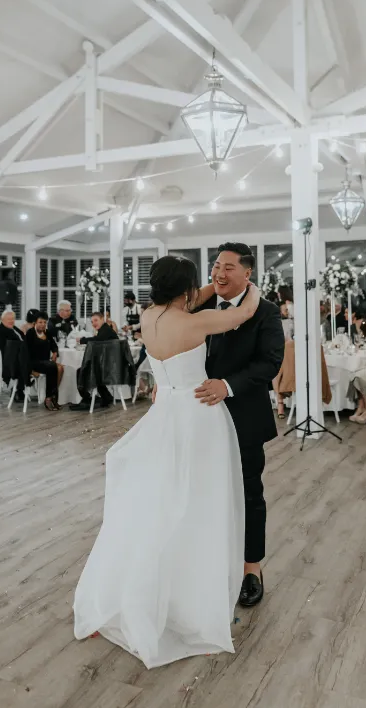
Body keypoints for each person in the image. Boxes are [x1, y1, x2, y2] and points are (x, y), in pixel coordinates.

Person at [74, 255, 262, 668]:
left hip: (164, 417)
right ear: (187, 291)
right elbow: (245, 311)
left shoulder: (149, 315)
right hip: (198, 418)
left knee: (161, 503)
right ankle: (194, 607)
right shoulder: (195, 323)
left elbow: (191, 301)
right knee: (200, 506)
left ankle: (151, 590)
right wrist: (251, 283)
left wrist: (211, 283)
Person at [195, 242, 285, 609]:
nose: (219, 273)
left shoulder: (265, 312)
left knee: (249, 495)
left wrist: (227, 386)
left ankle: (252, 568)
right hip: (199, 418)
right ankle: (210, 560)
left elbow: (270, 362)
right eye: (217, 265)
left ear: (247, 273)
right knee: (204, 492)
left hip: (243, 416)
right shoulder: (200, 305)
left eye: (229, 267)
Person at [71, 310, 119, 411]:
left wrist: (82, 340)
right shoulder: (104, 330)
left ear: (102, 319)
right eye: (92, 322)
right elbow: (97, 339)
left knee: (81, 371)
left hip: (109, 367)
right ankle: (106, 397)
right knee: (92, 369)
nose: (94, 323)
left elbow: (97, 340)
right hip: (110, 364)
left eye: (96, 320)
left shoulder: (106, 330)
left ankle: (86, 399)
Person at [25, 313, 63, 410]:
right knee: (52, 367)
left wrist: (54, 353)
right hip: (34, 362)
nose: (42, 324)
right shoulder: (30, 333)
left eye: (44, 322)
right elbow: (25, 353)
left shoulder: (47, 333)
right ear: (35, 323)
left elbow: (54, 345)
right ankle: (49, 398)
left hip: (45, 362)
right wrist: (30, 370)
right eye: (40, 322)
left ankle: (53, 396)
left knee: (60, 368)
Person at [0, 309, 26, 403]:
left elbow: (23, 337)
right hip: (9, 361)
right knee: (26, 362)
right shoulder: (0, 331)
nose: (12, 321)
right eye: (9, 319)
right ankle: (19, 390)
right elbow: (6, 349)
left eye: (13, 319)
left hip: (17, 356)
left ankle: (21, 388)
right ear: (2, 320)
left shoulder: (12, 328)